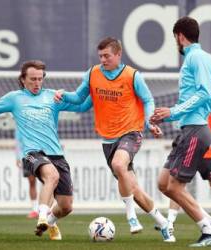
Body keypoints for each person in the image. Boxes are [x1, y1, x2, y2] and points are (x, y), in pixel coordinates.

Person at [0, 60, 92, 240]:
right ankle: (41, 217)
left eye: (40, 79)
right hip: (33, 153)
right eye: (33, 79)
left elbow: (83, 106)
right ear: (23, 79)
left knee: (66, 206)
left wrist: (95, 89)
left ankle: (50, 220)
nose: (37, 83)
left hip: (56, 154)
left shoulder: (52, 97)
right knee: (52, 176)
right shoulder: (14, 98)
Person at [54, 37, 172, 241]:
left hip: (131, 132)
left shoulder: (132, 75)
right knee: (134, 189)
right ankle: (163, 223)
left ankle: (131, 217)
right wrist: (62, 95)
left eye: (107, 56)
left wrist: (149, 122)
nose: (103, 59)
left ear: (118, 55)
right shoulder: (93, 74)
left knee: (119, 165)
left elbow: (147, 99)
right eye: (100, 56)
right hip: (108, 140)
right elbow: (79, 99)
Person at [150, 17, 211, 247]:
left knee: (174, 187)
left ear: (180, 36)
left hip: (196, 130)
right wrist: (168, 115)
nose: (176, 43)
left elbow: (203, 94)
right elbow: (208, 95)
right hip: (189, 129)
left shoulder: (197, 58)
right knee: (163, 183)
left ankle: (208, 231)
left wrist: (172, 111)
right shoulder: (198, 58)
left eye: (175, 38)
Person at [165, 113, 211, 242]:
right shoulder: (192, 106)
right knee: (177, 185)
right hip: (192, 147)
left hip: (208, 152)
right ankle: (170, 222)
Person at [15, 131, 39, 219]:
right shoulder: (20, 122)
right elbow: (18, 141)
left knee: (47, 182)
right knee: (32, 182)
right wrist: (17, 157)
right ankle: (35, 209)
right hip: (26, 156)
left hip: (40, 154)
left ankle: (47, 209)